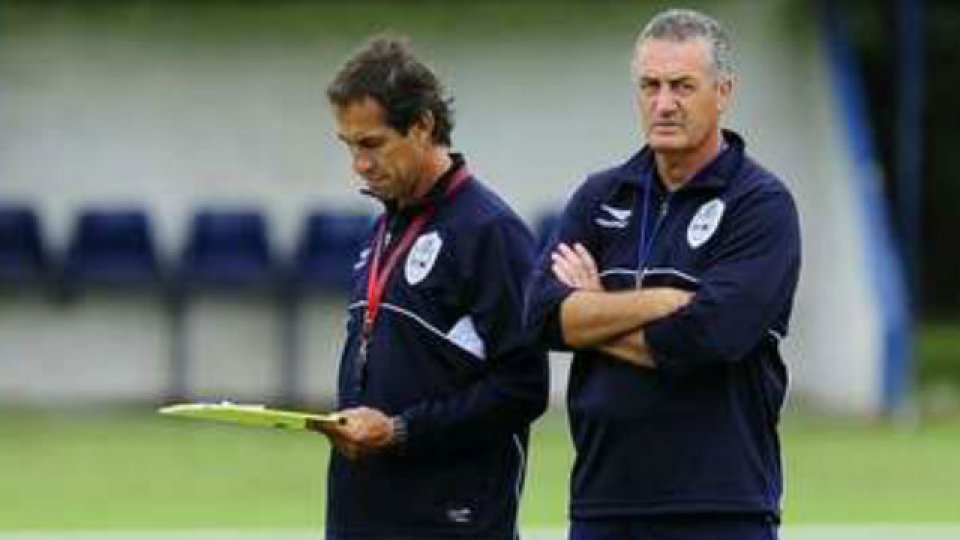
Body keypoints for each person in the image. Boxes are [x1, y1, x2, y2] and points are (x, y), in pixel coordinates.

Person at [524, 9, 801, 540]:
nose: (664, 103)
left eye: (682, 86)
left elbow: (710, 336)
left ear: (723, 92)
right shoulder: (601, 195)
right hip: (604, 502)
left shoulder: (761, 204)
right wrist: (665, 300)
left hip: (720, 504)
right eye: (650, 86)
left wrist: (594, 310)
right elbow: (539, 314)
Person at [316, 35, 549, 540]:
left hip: (452, 519)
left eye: (372, 143)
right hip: (363, 516)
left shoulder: (490, 232)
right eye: (350, 145)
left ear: (422, 125)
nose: (358, 163)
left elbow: (524, 387)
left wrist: (401, 431)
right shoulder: (382, 228)